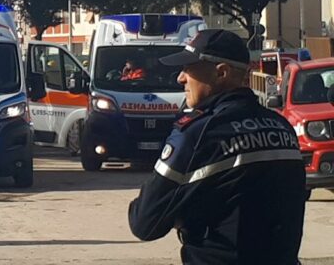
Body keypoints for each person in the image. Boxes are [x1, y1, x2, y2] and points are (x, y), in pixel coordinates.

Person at [128, 29, 306, 265]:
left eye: (188, 69)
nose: (180, 78)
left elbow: (145, 222)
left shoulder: (199, 134)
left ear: (221, 72)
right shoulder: (280, 127)